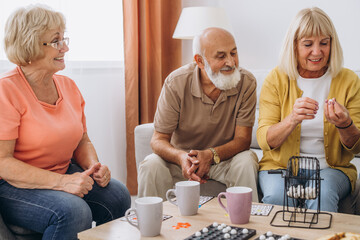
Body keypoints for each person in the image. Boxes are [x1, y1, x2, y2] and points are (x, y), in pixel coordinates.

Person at [0, 4, 131, 239]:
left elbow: (81, 139)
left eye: (64, 38)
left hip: (63, 171)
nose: (66, 47)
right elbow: (3, 163)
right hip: (13, 186)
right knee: (73, 211)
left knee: (118, 195)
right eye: (55, 41)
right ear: (28, 44)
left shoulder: (68, 86)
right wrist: (61, 182)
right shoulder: (6, 91)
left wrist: (94, 167)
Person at [137, 27, 259, 202]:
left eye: (233, 53)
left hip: (223, 161)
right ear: (200, 61)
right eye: (221, 56)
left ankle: (246, 225)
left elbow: (243, 140)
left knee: (247, 160)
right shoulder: (176, 83)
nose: (231, 62)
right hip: (182, 162)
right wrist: (181, 157)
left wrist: (210, 155)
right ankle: (154, 226)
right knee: (151, 164)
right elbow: (158, 140)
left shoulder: (246, 82)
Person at [257, 7, 360, 212]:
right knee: (277, 196)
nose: (317, 51)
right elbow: (264, 140)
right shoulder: (276, 79)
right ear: (293, 46)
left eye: (324, 43)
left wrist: (344, 124)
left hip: (331, 169)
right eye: (307, 44)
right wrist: (292, 119)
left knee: (321, 194)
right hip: (279, 167)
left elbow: (356, 147)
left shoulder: (349, 80)